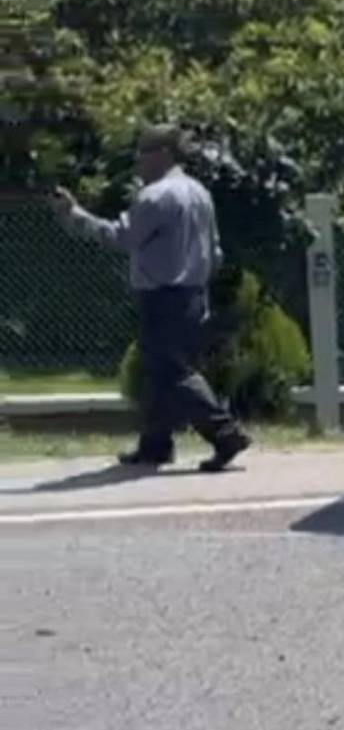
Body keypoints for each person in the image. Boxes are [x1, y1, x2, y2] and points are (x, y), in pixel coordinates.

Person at [52, 124, 250, 472]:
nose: (138, 162)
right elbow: (214, 251)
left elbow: (121, 237)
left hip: (162, 295)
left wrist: (75, 214)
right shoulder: (199, 193)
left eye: (143, 153)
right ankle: (155, 445)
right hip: (193, 292)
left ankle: (225, 433)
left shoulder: (156, 197)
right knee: (157, 371)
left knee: (173, 372)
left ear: (162, 154)